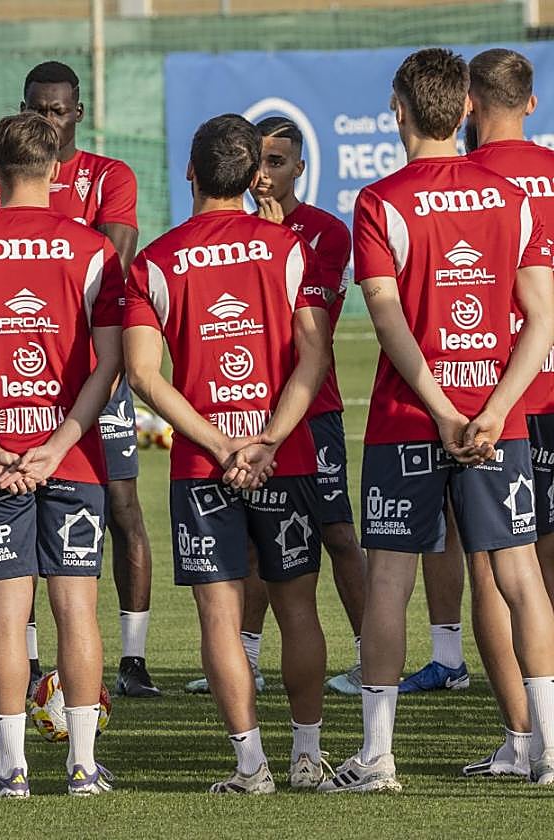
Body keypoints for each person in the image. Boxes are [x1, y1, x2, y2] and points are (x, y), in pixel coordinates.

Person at [321, 48, 554, 793]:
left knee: (390, 582)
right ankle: (549, 750)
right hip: (495, 421)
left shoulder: (379, 200)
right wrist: (492, 408)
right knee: (521, 576)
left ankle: (378, 758)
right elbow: (542, 318)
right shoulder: (511, 197)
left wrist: (444, 409)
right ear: (464, 109)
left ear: (398, 110)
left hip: (407, 419)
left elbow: (387, 319)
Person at [125, 113, 331, 793]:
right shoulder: (289, 247)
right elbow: (313, 358)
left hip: (201, 465)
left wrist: (218, 444)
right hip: (285, 457)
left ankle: (251, 767)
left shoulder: (154, 261)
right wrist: (267, 440)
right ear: (251, 176)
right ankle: (307, 757)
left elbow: (143, 376)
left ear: (190, 171)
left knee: (220, 616)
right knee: (298, 607)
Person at [0, 112, 123, 796]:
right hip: (75, 459)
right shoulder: (94, 250)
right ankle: (83, 767)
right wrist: (58, 446)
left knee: (7, 615)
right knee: (78, 610)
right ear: (57, 169)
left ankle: (11, 770)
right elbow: (111, 365)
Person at [0, 60, 157, 698]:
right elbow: (9, 267)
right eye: (38, 109)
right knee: (18, 517)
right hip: (23, 373)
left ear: (78, 111)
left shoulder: (110, 174)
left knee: (122, 506)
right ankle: (29, 664)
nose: (49, 120)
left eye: (58, 110)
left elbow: (115, 260)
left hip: (95, 371)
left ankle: (133, 659)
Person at [184, 116, 363, 697]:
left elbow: (313, 330)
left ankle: (372, 655)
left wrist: (270, 240)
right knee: (253, 545)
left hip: (311, 411)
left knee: (337, 534)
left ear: (300, 169)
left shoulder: (323, 234)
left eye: (278, 163)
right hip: (239, 416)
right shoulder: (229, 238)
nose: (265, 175)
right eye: (258, 162)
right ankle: (247, 658)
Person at [459, 47, 554, 777]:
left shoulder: (464, 182)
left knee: (497, 568)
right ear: (531, 102)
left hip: (498, 397)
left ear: (467, 103)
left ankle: (524, 739)